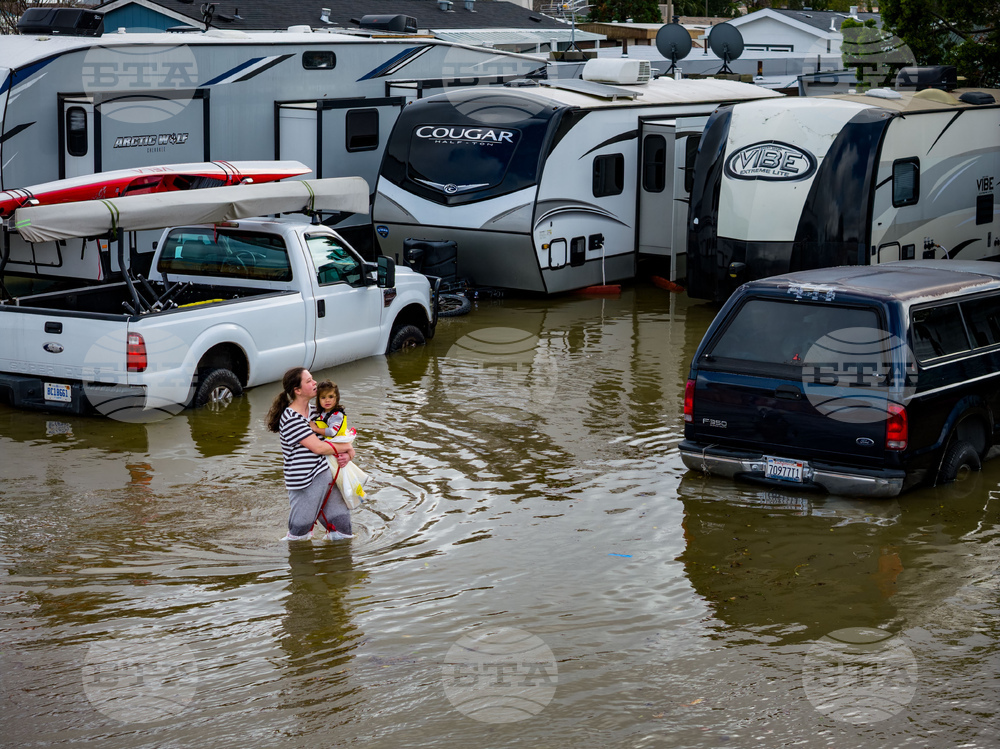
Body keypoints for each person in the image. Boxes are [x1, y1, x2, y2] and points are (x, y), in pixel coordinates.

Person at [266, 367, 353, 541]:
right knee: (299, 535)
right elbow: (318, 448)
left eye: (312, 379)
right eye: (309, 381)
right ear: (297, 390)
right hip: (304, 483)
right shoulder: (291, 418)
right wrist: (345, 447)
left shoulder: (316, 413)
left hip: (326, 477)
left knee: (343, 530)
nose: (315, 383)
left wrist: (349, 452)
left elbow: (339, 438)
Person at [310, 380, 368, 508]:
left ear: (337, 398)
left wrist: (315, 428)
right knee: (341, 473)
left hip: (336, 444)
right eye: (323, 397)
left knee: (342, 475)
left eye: (331, 396)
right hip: (334, 446)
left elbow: (331, 431)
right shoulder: (322, 413)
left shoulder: (337, 415)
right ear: (318, 399)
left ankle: (351, 496)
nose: (327, 400)